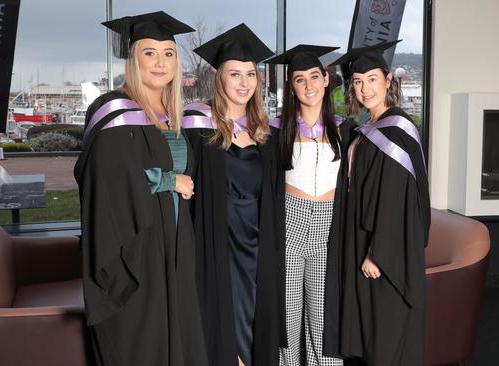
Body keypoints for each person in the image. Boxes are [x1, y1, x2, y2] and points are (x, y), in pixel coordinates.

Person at [73, 11, 208, 366]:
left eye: (168, 53)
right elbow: (105, 177)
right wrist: (168, 181)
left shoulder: (173, 113)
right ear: (134, 60)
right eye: (149, 53)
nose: (160, 62)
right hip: (135, 245)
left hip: (175, 243)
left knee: (177, 336)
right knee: (144, 342)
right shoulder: (113, 110)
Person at [322, 40, 431, 366]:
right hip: (362, 243)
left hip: (383, 255)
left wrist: (377, 253)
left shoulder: (397, 131)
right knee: (368, 336)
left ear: (388, 80)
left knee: (385, 338)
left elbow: (395, 199)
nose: (365, 88)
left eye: (372, 79)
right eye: (357, 81)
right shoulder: (364, 130)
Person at [181, 23, 283, 366]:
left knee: (258, 324)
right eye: (235, 74)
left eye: (251, 74)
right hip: (218, 243)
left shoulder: (265, 134)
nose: (244, 83)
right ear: (217, 75)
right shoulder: (197, 128)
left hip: (260, 244)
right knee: (225, 324)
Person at [264, 45, 351, 366]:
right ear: (291, 87)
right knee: (286, 320)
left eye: (315, 76)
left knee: (322, 318)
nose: (309, 85)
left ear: (326, 79)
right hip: (289, 224)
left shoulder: (348, 130)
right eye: (300, 80)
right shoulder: (275, 132)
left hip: (328, 230)